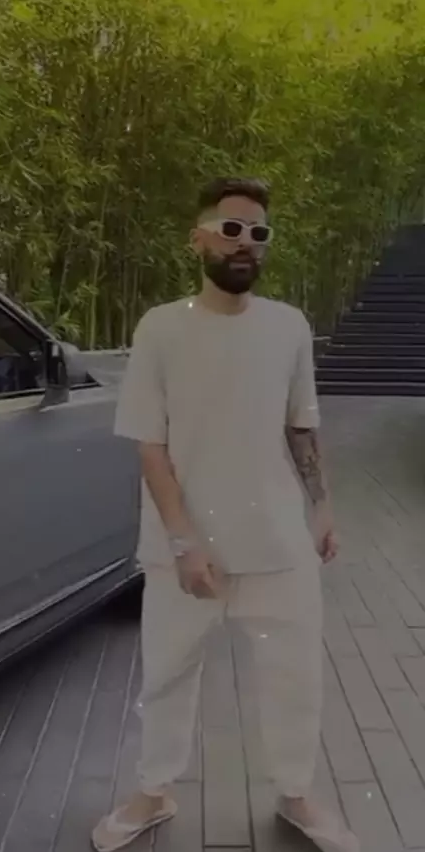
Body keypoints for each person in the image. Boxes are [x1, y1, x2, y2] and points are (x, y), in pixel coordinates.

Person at [92, 177, 359, 852]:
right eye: (231, 229)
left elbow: (302, 425)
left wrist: (323, 508)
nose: (245, 243)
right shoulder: (161, 327)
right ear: (199, 239)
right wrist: (184, 542)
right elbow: (151, 446)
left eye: (258, 233)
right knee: (168, 675)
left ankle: (296, 794)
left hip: (277, 542)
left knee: (295, 676)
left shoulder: (288, 326)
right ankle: (154, 790)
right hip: (184, 551)